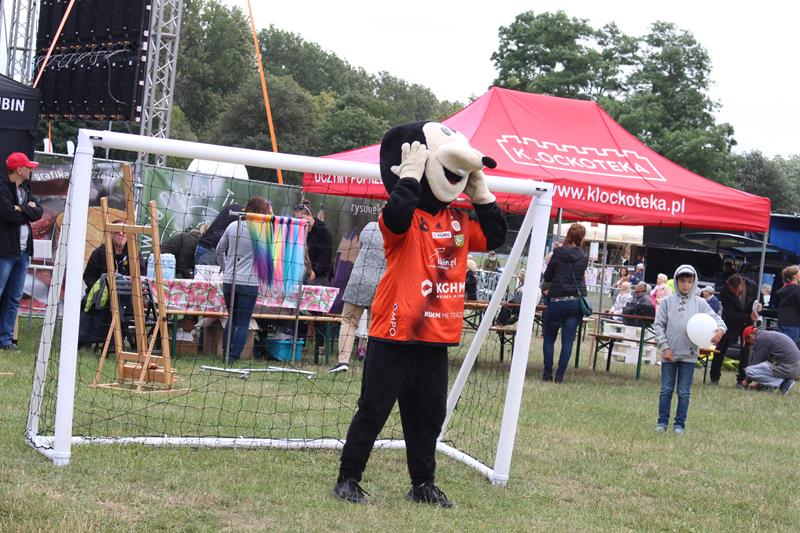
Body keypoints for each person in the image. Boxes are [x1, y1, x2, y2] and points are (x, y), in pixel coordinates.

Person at [334, 121, 507, 508]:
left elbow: (496, 236)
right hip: (392, 336)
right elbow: (396, 216)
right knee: (373, 410)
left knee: (427, 417)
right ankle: (348, 478)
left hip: (435, 340)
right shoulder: (401, 218)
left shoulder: (459, 222)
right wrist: (410, 176)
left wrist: (482, 194)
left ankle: (423, 484)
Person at [653, 265, 725, 434]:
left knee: (684, 392)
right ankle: (662, 422)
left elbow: (718, 320)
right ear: (676, 281)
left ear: (694, 282)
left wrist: (720, 331)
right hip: (669, 354)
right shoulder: (667, 302)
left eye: (689, 281)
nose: (685, 285)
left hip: (689, 355)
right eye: (682, 281)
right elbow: (658, 325)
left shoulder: (700, 303)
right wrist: (664, 346)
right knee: (666, 390)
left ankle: (679, 424)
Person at [216, 197, 271, 362]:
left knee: (232, 317)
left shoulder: (233, 225)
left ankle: (226, 352)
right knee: (243, 321)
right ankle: (233, 357)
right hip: (249, 283)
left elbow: (219, 250)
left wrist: (226, 267)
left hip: (229, 281)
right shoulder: (264, 233)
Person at [329, 221, 386, 373]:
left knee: (348, 321)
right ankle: (374, 363)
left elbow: (361, 244)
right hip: (382, 283)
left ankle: (343, 361)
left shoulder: (370, 227)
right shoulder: (398, 230)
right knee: (376, 326)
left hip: (359, 279)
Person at [0, 153, 42, 350]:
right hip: (5, 251)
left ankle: (5, 340)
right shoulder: (2, 187)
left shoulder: (25, 189)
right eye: (28, 167)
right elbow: (7, 214)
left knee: (14, 298)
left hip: (23, 253)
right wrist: (26, 210)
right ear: (19, 169)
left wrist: (20, 208)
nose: (31, 170)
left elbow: (38, 212)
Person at [540, 223, 588, 383]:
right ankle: (560, 375)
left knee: (549, 337)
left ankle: (547, 373)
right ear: (582, 237)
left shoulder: (558, 253)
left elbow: (548, 276)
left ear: (568, 235)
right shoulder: (583, 256)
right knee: (568, 340)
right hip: (575, 302)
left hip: (557, 300)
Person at [710, 273, 759, 387]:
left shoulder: (753, 286)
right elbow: (730, 313)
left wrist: (759, 306)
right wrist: (748, 317)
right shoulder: (724, 291)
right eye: (733, 292)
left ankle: (742, 380)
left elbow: (759, 299)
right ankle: (714, 377)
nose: (736, 294)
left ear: (743, 284)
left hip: (747, 325)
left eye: (738, 291)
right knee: (720, 349)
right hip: (729, 323)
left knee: (745, 352)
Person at [741, 327, 799, 394]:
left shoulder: (761, 339)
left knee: (749, 371)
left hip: (789, 367)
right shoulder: (767, 335)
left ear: (751, 336)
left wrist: (747, 381)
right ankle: (769, 386)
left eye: (749, 343)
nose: (751, 345)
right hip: (794, 366)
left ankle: (784, 382)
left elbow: (756, 363)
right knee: (767, 365)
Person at [294, 203, 332, 286]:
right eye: (297, 219)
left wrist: (315, 272)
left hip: (317, 278)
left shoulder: (322, 231)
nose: (299, 222)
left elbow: (326, 255)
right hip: (301, 275)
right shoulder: (298, 230)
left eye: (301, 218)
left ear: (310, 215)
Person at [776, 265, 800, 345]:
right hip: (793, 323)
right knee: (790, 347)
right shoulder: (797, 289)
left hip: (781, 320)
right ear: (795, 276)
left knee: (782, 346)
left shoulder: (782, 290)